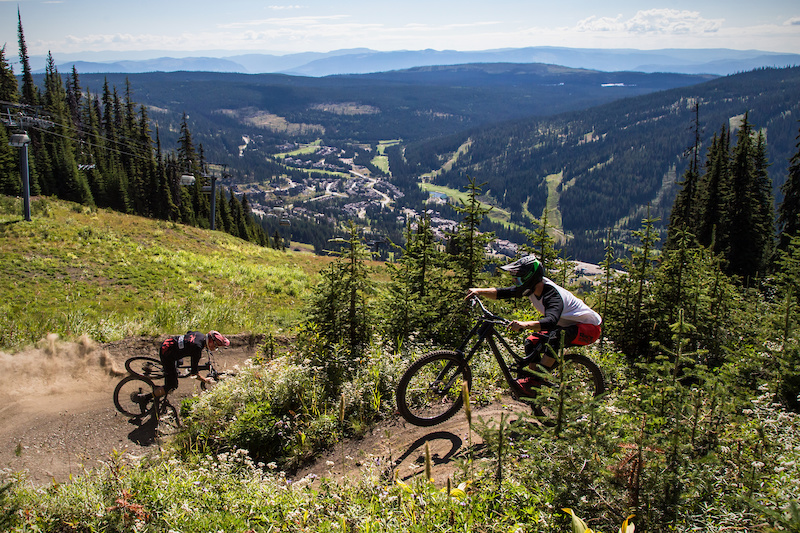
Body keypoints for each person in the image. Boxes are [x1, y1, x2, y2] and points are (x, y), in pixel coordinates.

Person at [466, 255, 602, 396]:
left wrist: (524, 325)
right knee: (532, 342)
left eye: (518, 278)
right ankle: (530, 386)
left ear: (529, 279)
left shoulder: (552, 295)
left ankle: (533, 382)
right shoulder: (531, 288)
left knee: (556, 338)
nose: (515, 281)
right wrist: (478, 291)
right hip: (568, 325)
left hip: (589, 328)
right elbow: (504, 292)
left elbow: (550, 322)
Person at [152, 330, 230, 398]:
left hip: (169, 343)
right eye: (215, 346)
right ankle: (146, 397)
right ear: (210, 342)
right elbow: (194, 374)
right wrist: (206, 380)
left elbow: (189, 333)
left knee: (179, 362)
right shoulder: (197, 348)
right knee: (172, 386)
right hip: (166, 353)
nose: (215, 348)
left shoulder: (200, 335)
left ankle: (171, 370)